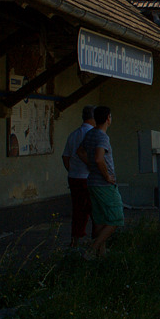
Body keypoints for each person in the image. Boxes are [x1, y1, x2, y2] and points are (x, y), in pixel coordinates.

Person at [77, 106, 124, 260]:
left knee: (99, 218)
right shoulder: (103, 137)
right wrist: (107, 176)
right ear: (108, 118)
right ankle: (92, 249)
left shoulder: (90, 133)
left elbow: (80, 151)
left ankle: (100, 253)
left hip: (92, 182)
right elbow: (99, 158)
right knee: (116, 218)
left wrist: (90, 165)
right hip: (104, 184)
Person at [61, 105, 96, 247]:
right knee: (94, 210)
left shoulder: (74, 134)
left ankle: (75, 238)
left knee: (77, 209)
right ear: (94, 118)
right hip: (88, 177)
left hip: (74, 177)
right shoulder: (93, 134)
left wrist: (72, 170)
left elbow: (65, 156)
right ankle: (96, 240)